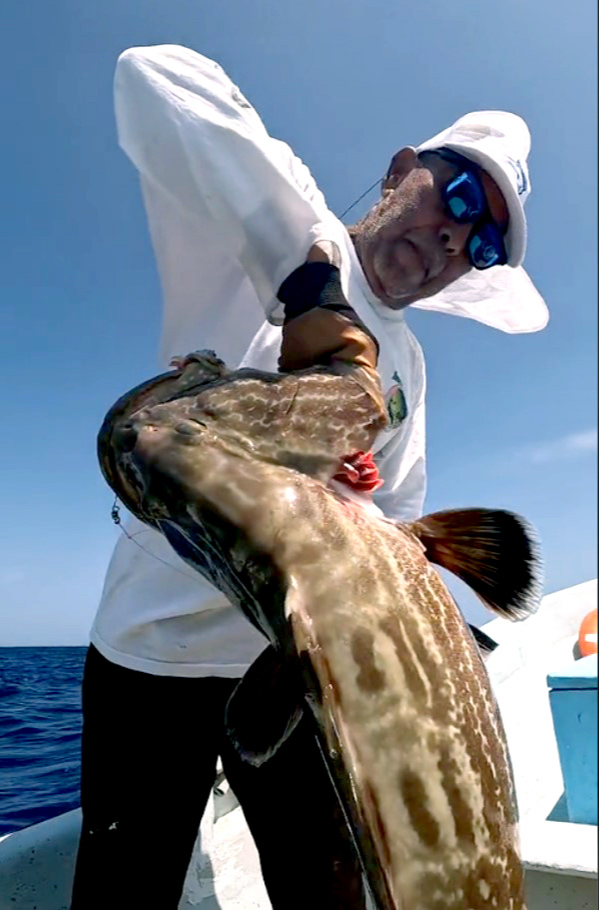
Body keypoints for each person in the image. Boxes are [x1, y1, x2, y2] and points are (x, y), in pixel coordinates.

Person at [71, 44, 548, 909]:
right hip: (150, 654)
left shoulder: (407, 368)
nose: (452, 235)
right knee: (120, 891)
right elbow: (150, 74)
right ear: (403, 169)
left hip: (295, 664)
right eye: (460, 194)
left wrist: (355, 486)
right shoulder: (282, 232)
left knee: (324, 895)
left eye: (478, 244)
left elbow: (396, 514)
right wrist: (308, 282)